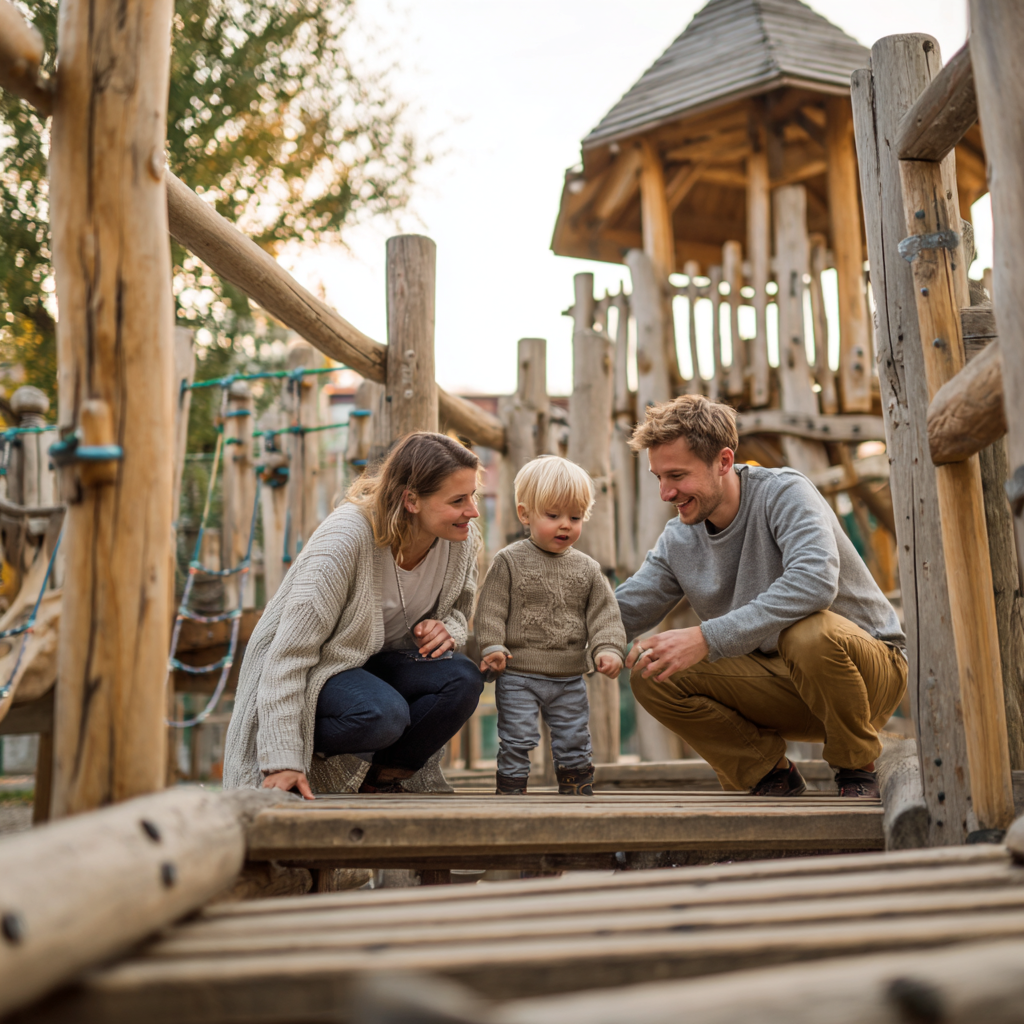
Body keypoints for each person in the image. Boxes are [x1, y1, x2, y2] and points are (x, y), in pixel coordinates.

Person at [615, 396, 907, 799]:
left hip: (867, 676)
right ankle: (771, 774)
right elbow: (624, 610)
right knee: (653, 672)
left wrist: (705, 638)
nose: (666, 492)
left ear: (722, 461)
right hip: (785, 687)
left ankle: (857, 767)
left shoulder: (785, 493)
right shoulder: (679, 540)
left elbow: (814, 582)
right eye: (658, 477)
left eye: (677, 475)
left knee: (807, 632)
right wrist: (523, 640)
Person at [223, 431, 484, 798]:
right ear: (411, 500)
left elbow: (460, 609)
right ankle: (307, 757)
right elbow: (287, 655)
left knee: (462, 678)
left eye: (472, 495)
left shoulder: (460, 539)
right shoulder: (345, 538)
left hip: (381, 666)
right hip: (319, 668)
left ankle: (380, 780)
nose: (472, 510)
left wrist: (448, 630)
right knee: (382, 715)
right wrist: (282, 756)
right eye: (458, 500)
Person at [475, 455, 626, 796]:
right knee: (517, 737)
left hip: (569, 676)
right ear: (525, 514)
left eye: (575, 517)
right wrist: (492, 646)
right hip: (519, 674)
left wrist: (608, 649)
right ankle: (512, 792)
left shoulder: (588, 569)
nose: (565, 525)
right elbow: (491, 610)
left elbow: (605, 615)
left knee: (574, 737)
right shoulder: (508, 561)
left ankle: (576, 792)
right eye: (553, 515)